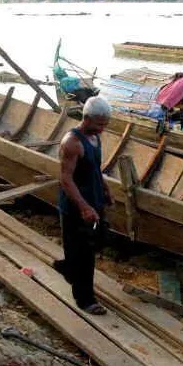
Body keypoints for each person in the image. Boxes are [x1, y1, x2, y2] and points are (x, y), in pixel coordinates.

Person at [54, 97, 113, 315]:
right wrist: (83, 207)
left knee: (97, 242)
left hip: (94, 199)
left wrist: (105, 188)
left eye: (105, 124)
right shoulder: (72, 143)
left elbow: (95, 168)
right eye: (99, 124)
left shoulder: (95, 138)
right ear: (86, 118)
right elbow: (66, 179)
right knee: (83, 253)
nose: (103, 128)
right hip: (75, 206)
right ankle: (85, 300)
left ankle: (67, 267)